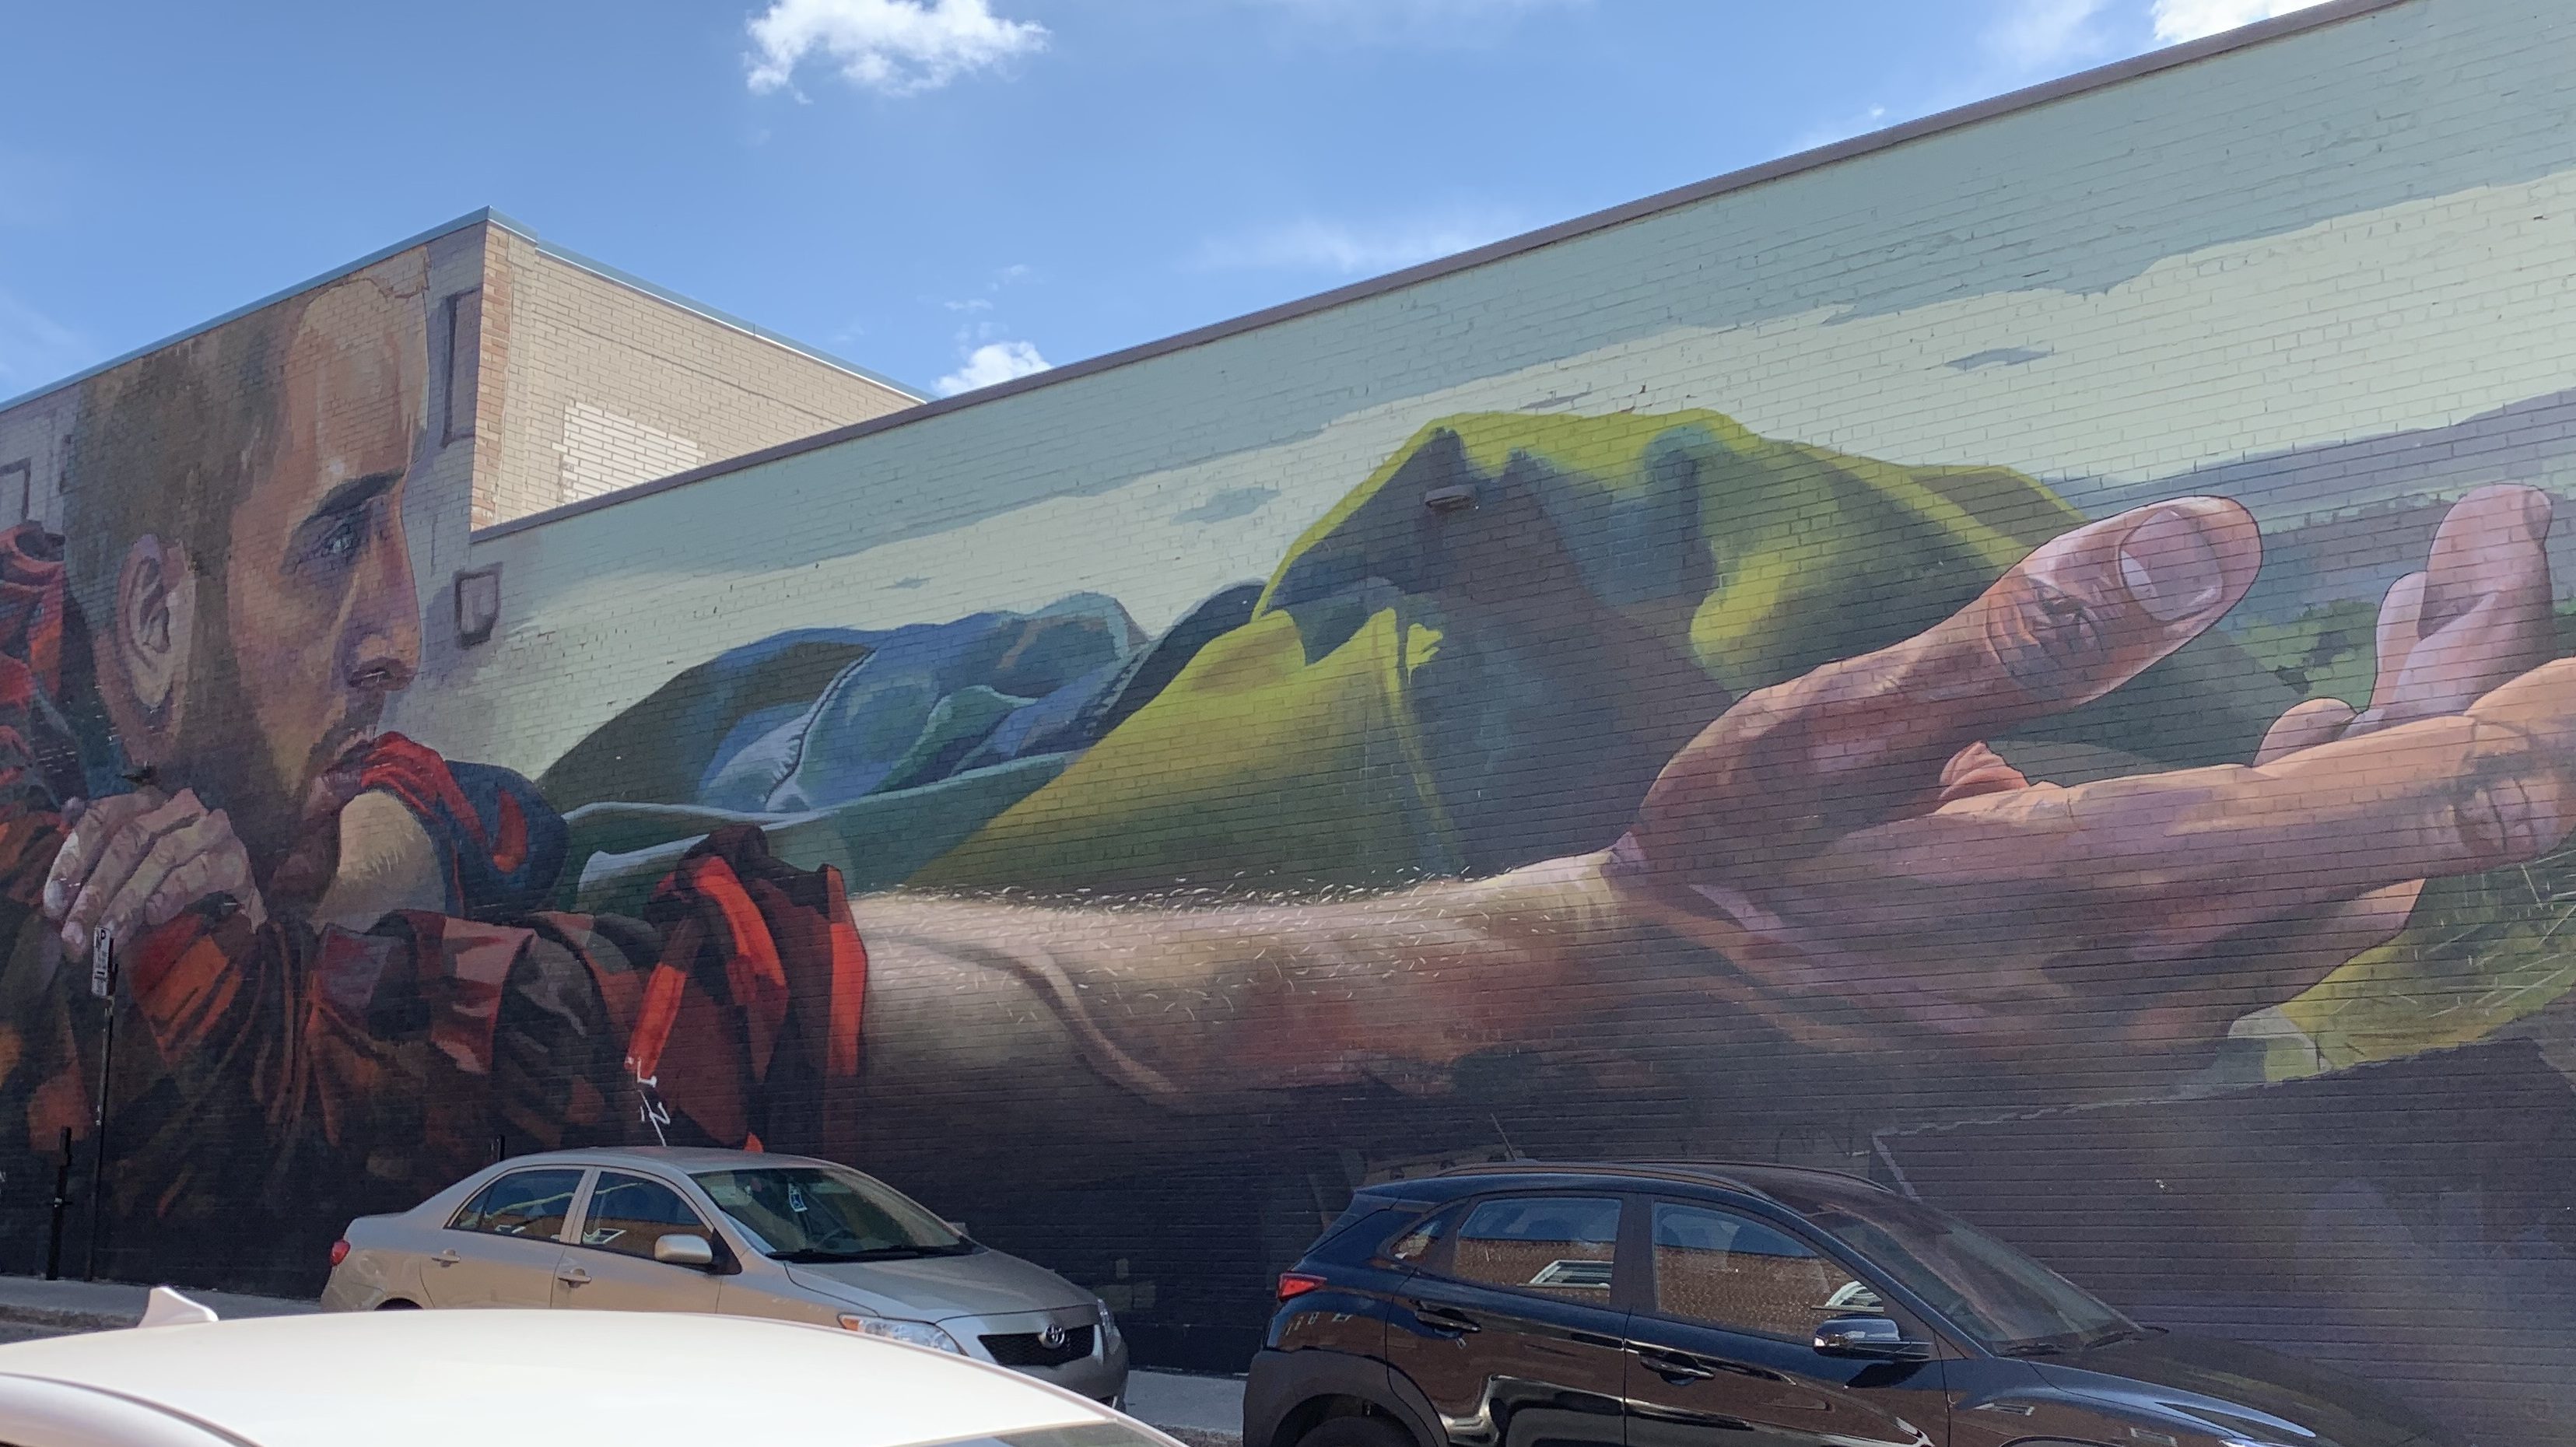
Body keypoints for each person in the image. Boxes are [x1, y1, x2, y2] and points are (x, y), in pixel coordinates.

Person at [5, 258, 2571, 1284]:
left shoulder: (286, 804)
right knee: (1495, 619)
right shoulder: (108, 935)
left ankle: (2322, 750)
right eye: (334, 535)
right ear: (142, 616)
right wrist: (1598, 942)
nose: (395, 604)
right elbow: (628, 1013)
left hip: (909, 724)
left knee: (1490, 535)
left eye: (403, 520)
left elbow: (460, 828)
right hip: (901, 850)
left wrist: (333, 830)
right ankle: (2341, 781)